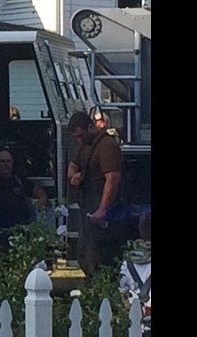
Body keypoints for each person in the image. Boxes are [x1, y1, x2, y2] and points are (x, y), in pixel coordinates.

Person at [67, 110, 124, 276]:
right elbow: (72, 165)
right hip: (88, 206)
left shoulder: (107, 145)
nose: (79, 140)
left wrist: (102, 209)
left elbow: (112, 179)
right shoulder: (86, 145)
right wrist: (74, 176)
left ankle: (103, 292)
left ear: (90, 127)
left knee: (100, 258)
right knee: (85, 254)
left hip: (103, 209)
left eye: (80, 135)